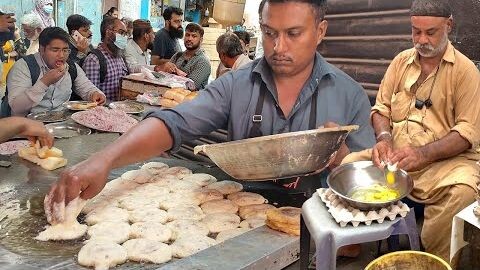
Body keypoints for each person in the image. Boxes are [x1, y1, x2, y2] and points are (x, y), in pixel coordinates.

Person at [45, 0, 375, 225]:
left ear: (321, 31)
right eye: (270, 33)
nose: (278, 47)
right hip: (241, 226)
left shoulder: (348, 95)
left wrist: (344, 157)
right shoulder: (239, 84)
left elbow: (369, 189)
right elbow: (173, 124)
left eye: (294, 34)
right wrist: (103, 159)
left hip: (314, 232)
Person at [341, 0, 480, 263]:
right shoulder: (400, 62)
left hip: (444, 164)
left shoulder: (465, 72)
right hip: (397, 158)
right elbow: (381, 108)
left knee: (463, 191)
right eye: (416, 31)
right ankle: (353, 244)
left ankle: (432, 260)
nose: (422, 39)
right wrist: (383, 139)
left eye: (431, 32)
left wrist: (423, 154)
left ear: (448, 25)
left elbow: (466, 132)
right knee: (348, 164)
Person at [2, 27, 105, 116]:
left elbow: (87, 87)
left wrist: (95, 94)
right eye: (55, 50)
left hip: (61, 124)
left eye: (65, 50)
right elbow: (16, 107)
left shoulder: (71, 67)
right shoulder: (24, 67)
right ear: (42, 49)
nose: (61, 55)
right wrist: (44, 82)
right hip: (27, 127)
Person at [82, 17, 128, 101]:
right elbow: (92, 97)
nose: (124, 37)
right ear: (108, 32)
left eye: (125, 34)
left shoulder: (119, 56)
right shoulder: (94, 60)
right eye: (121, 33)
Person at [169, 23, 211, 89]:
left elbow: (190, 86)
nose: (189, 39)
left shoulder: (203, 61)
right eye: (187, 35)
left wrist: (177, 72)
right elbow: (165, 78)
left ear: (201, 40)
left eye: (194, 36)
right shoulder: (177, 55)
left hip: (192, 98)